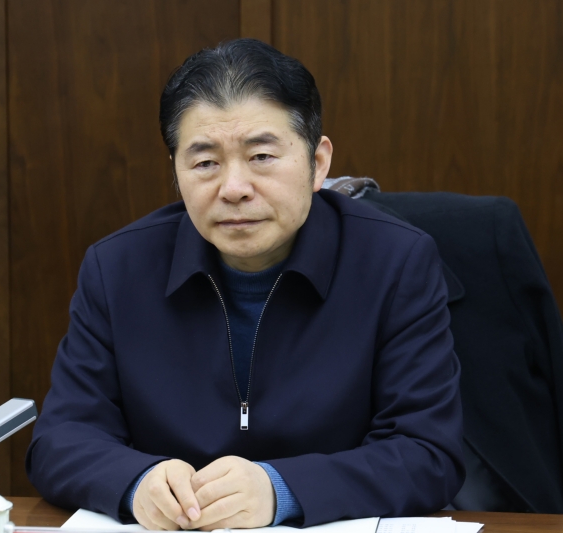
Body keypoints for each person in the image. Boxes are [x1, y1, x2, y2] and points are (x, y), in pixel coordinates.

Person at [26, 39, 464, 530]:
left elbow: (428, 452)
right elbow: (60, 440)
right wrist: (136, 482)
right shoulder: (118, 269)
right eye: (205, 163)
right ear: (176, 173)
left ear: (318, 163)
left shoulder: (395, 262)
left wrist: (281, 490)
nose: (234, 188)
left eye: (261, 156)